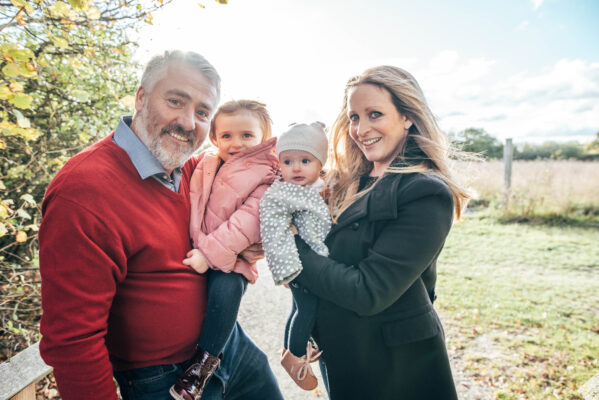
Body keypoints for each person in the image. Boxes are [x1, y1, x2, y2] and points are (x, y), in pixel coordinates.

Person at [38, 50, 284, 400]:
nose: (187, 122)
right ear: (140, 97)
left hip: (230, 348)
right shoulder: (83, 191)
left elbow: (253, 190)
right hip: (162, 381)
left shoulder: (194, 170)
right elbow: (72, 339)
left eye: (202, 112)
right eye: (175, 101)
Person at [290, 65, 470, 400]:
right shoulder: (345, 182)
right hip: (341, 352)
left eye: (375, 114)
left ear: (407, 116)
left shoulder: (426, 193)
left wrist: (289, 249)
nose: (361, 128)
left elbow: (369, 291)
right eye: (354, 117)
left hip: (394, 368)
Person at [170, 100, 279, 400]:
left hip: (231, 260)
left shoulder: (268, 173)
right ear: (215, 137)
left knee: (226, 291)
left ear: (264, 136)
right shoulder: (206, 163)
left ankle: (201, 367)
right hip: (200, 251)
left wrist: (208, 255)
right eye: (227, 136)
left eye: (247, 135)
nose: (236, 143)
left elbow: (248, 222)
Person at [259, 122, 331, 391]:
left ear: (320, 163)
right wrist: (287, 267)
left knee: (298, 307)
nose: (296, 168)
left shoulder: (318, 186)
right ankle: (297, 359)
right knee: (306, 308)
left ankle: (291, 351)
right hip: (300, 264)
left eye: (305, 160)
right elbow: (273, 230)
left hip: (308, 260)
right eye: (288, 161)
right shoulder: (282, 193)